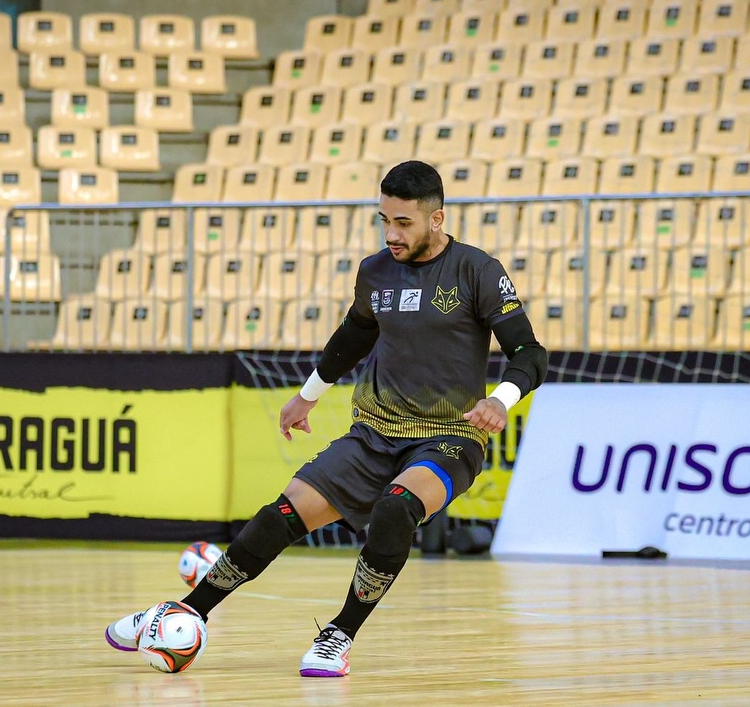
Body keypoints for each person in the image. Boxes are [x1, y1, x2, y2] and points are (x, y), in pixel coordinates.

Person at [104, 160, 548, 676]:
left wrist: (502, 399)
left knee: (395, 509)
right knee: (280, 516)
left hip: (450, 437)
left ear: (437, 219)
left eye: (403, 223)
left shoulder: (477, 270)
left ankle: (339, 633)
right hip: (374, 432)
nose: (391, 234)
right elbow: (355, 335)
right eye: (384, 220)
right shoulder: (375, 271)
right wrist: (308, 395)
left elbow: (530, 352)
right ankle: (185, 612)